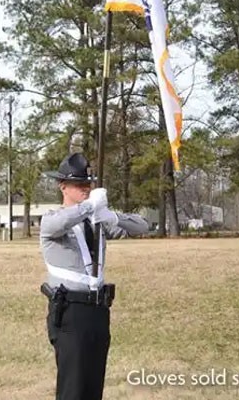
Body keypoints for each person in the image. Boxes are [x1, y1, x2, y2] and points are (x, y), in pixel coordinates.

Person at [40, 152, 149, 400]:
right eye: (79, 184)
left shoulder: (97, 220)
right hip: (70, 311)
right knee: (74, 389)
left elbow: (142, 227)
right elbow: (55, 226)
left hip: (98, 310)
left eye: (88, 184)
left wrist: (112, 216)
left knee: (92, 387)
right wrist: (89, 205)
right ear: (63, 186)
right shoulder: (53, 218)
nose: (85, 189)